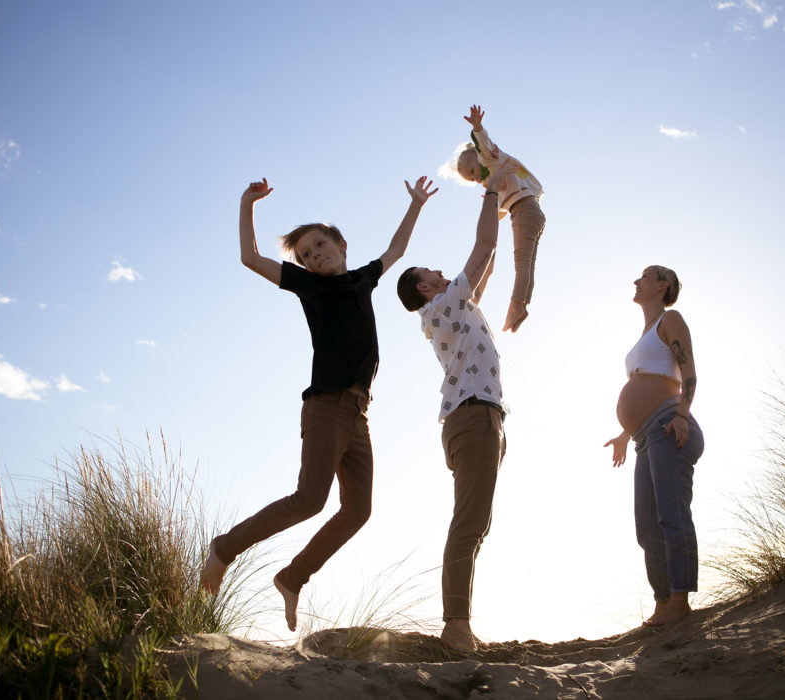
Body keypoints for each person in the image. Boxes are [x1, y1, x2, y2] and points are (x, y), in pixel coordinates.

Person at [200, 175, 438, 634]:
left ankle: (292, 577)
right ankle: (224, 548)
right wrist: (247, 204)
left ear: (340, 244)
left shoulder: (364, 278)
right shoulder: (309, 287)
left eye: (318, 246)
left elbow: (398, 248)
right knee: (310, 499)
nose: (313, 256)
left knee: (359, 509)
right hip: (327, 406)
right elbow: (250, 258)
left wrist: (416, 205)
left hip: (359, 412)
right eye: (306, 255)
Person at [395, 167, 512, 652]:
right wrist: (490, 188)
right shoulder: (440, 307)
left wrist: (502, 206)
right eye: (433, 274)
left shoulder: (455, 308)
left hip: (482, 418)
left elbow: (488, 257)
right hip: (473, 417)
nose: (442, 274)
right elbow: (482, 252)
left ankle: (458, 623)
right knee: (469, 522)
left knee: (476, 521)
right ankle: (455, 626)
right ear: (424, 289)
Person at [604, 265, 705, 627]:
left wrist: (681, 414)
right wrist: (624, 431)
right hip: (644, 437)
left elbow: (687, 370)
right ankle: (662, 603)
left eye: (644, 276)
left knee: (671, 515)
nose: (636, 280)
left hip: (668, 425)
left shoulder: (670, 319)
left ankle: (680, 600)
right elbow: (640, 387)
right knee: (646, 526)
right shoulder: (642, 336)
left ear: (663, 285)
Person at [451, 104, 545, 334]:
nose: (475, 179)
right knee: (528, 264)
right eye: (471, 179)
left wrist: (477, 127)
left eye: (472, 172)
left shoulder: (488, 157)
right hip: (531, 211)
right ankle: (521, 304)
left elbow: (484, 143)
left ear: (478, 158)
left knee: (522, 263)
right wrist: (496, 205)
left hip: (524, 210)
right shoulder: (497, 172)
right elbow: (502, 210)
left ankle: (516, 305)